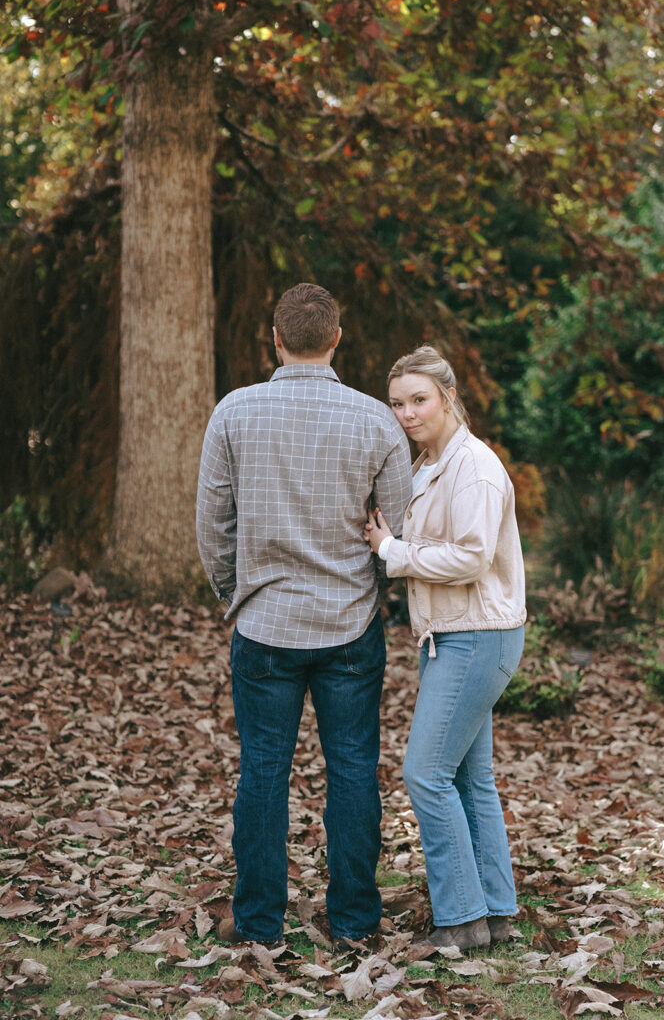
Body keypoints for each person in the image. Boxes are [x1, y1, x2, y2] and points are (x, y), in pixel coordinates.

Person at [196, 283, 413, 945]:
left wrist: (237, 594)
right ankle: (353, 921)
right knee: (352, 769)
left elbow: (213, 524)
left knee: (263, 769)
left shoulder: (234, 413)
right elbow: (397, 527)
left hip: (264, 627)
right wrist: (376, 593)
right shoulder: (376, 420)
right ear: (336, 340)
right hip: (350, 625)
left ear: (276, 338)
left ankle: (259, 924)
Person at [364, 345, 526, 951]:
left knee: (426, 773)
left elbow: (470, 557)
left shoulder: (474, 468)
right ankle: (497, 913)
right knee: (468, 777)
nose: (407, 414)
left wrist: (391, 552)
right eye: (397, 403)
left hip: (478, 636)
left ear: (449, 397)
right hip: (457, 633)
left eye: (418, 400)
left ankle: (459, 921)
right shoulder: (429, 464)